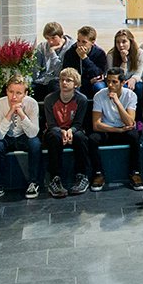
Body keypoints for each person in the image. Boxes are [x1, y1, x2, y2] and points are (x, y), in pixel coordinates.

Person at [0, 74, 41, 202]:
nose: (14, 97)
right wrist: (10, 113)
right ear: (6, 91)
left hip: (24, 136)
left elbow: (33, 133)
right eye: (11, 92)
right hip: (6, 137)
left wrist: (21, 114)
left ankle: (33, 183)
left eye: (18, 93)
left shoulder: (32, 104)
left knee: (35, 144)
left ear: (25, 94)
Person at [40, 66, 92, 198]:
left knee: (80, 137)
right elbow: (51, 124)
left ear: (76, 84)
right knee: (54, 136)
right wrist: (61, 131)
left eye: (68, 80)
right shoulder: (49, 99)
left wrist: (70, 131)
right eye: (62, 80)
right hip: (55, 131)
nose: (64, 83)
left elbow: (78, 123)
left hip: (73, 130)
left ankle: (82, 176)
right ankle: (54, 178)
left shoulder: (81, 99)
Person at [88, 68, 142, 191]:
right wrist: (118, 130)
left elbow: (130, 122)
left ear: (122, 83)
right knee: (92, 139)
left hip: (124, 128)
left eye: (114, 82)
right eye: (108, 81)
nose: (110, 85)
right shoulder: (99, 95)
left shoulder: (131, 95)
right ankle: (98, 174)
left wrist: (117, 102)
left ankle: (135, 172)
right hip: (108, 129)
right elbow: (96, 125)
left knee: (134, 136)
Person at [60, 25, 108, 99]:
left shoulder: (99, 53)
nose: (80, 45)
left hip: (94, 83)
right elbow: (68, 73)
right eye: (78, 41)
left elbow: (99, 74)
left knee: (100, 87)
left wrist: (85, 58)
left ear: (92, 42)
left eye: (84, 42)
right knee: (73, 87)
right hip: (79, 83)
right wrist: (87, 82)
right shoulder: (71, 52)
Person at [32, 21, 68, 102]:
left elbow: (59, 72)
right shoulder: (42, 47)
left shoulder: (69, 49)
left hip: (59, 81)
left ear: (61, 36)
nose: (50, 42)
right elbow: (35, 70)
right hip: (43, 80)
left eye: (53, 38)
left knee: (54, 85)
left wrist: (52, 53)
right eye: (47, 38)